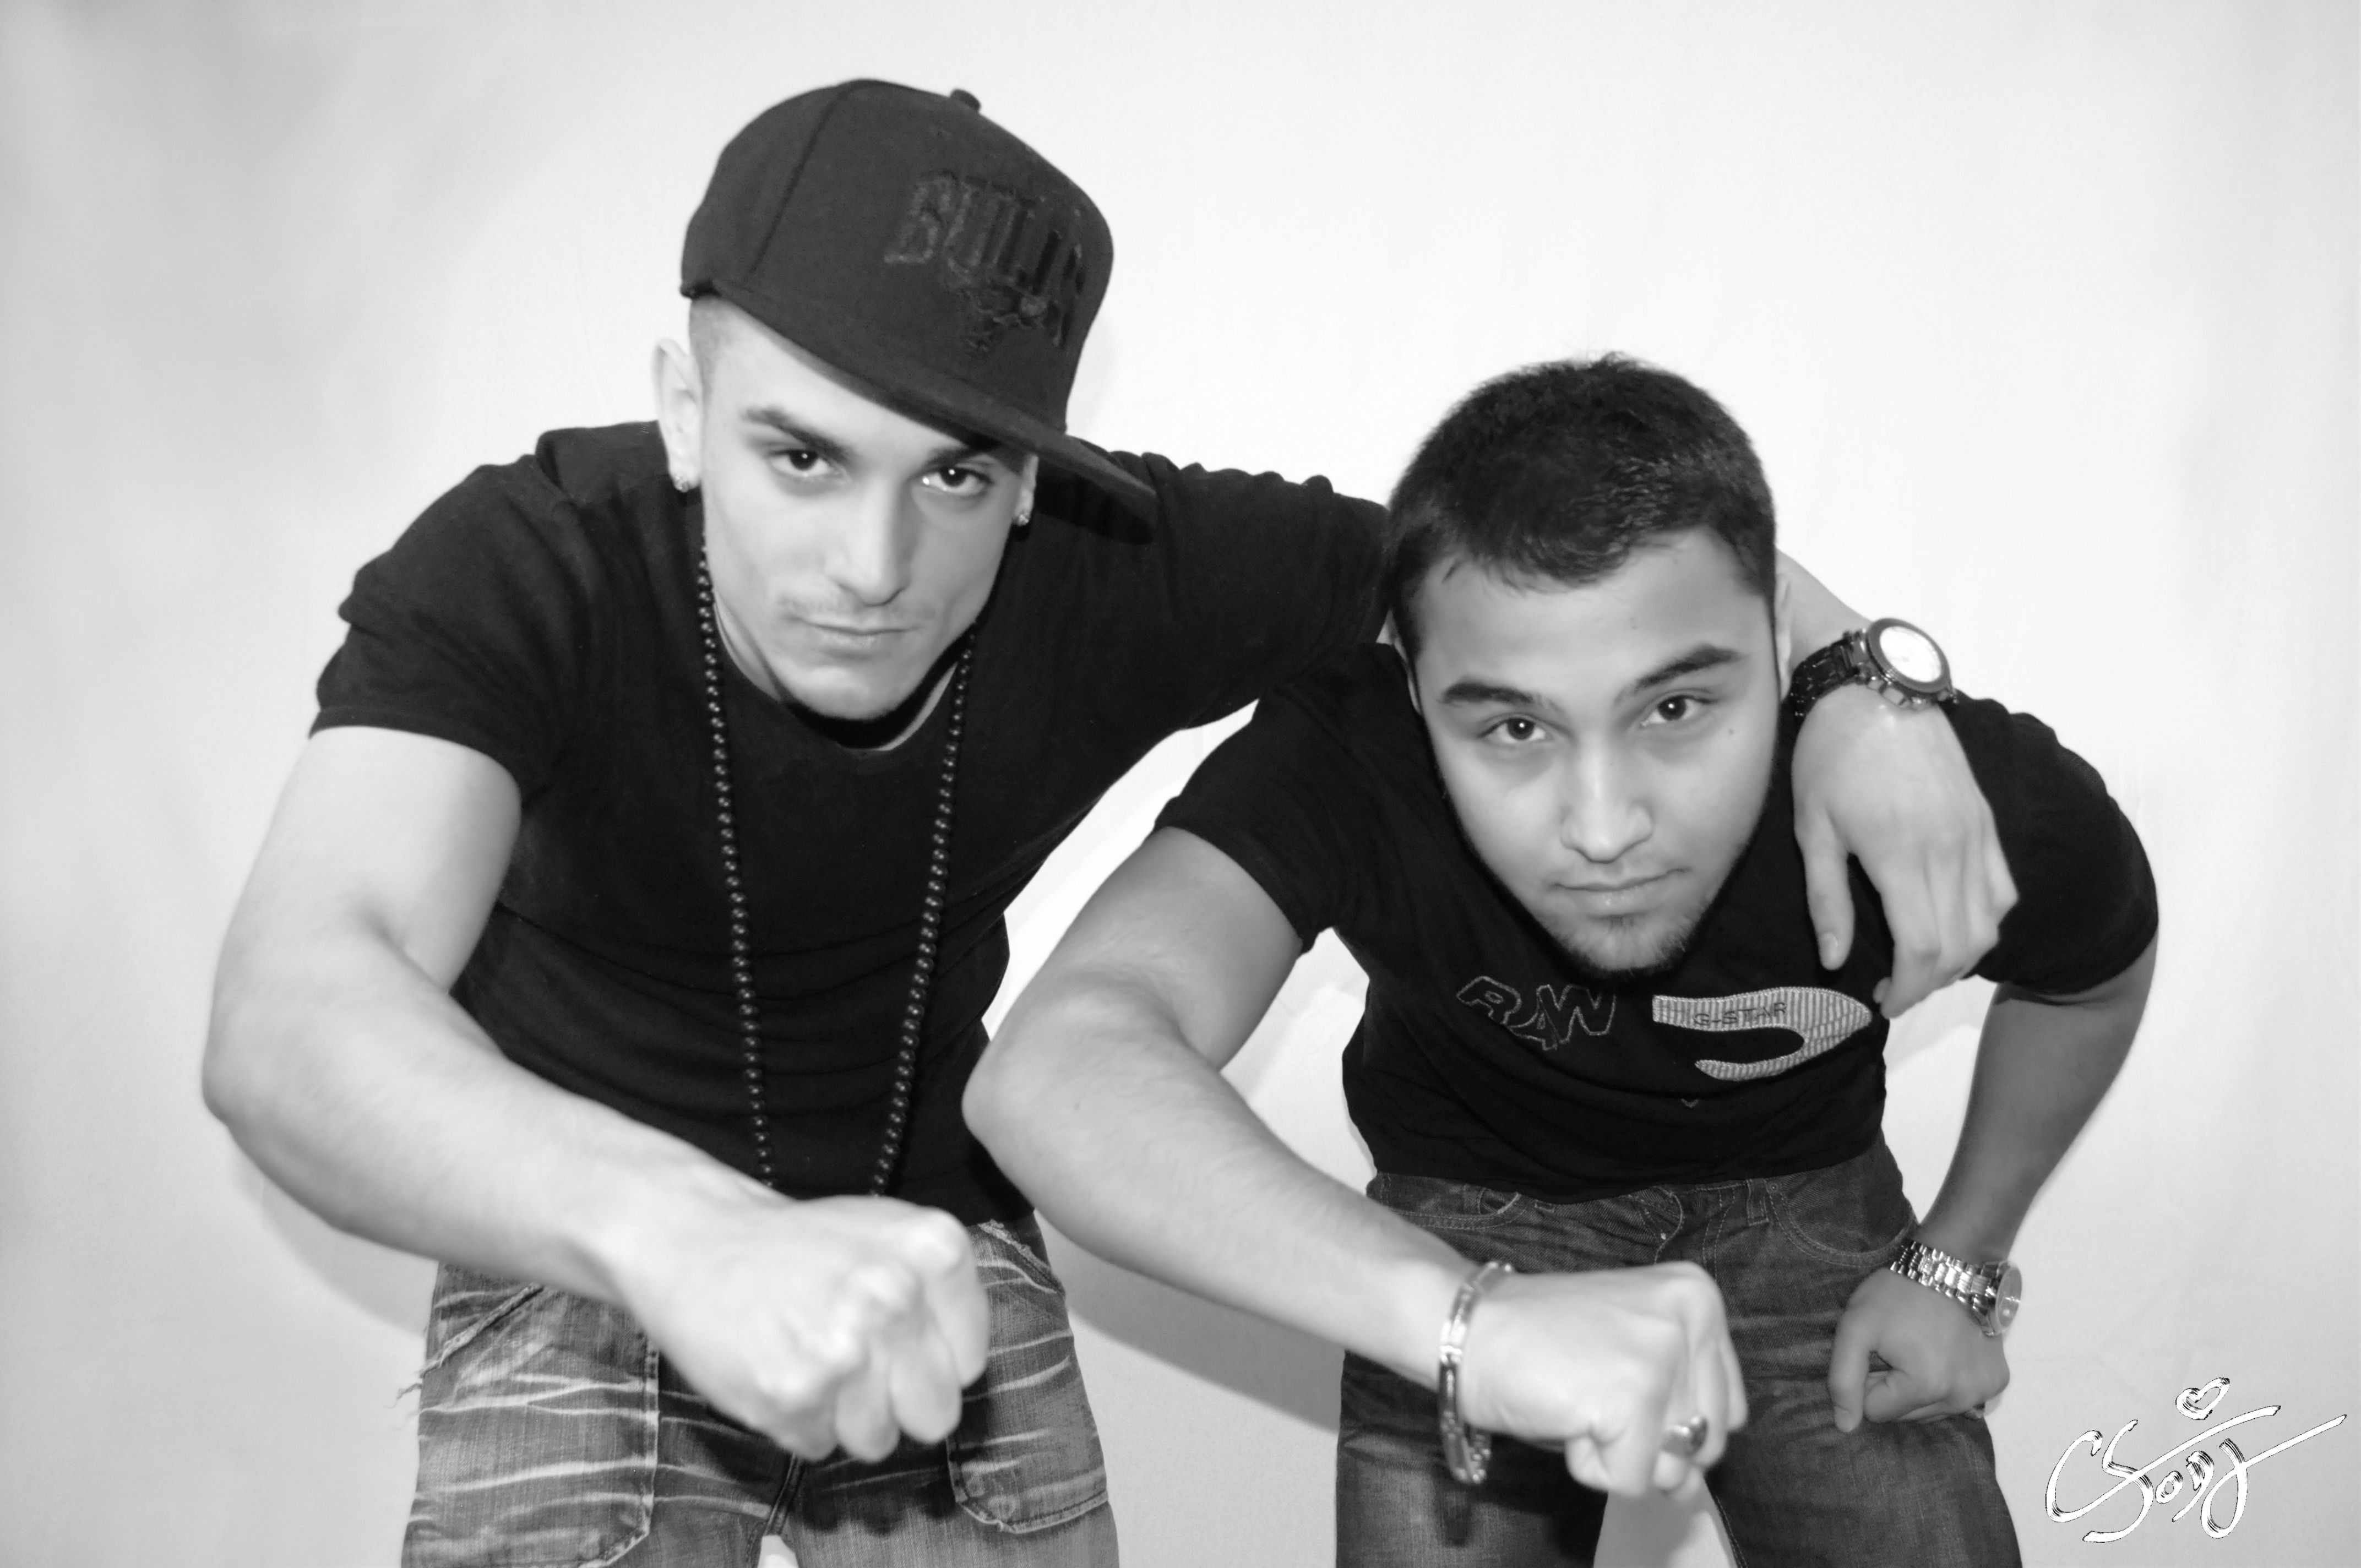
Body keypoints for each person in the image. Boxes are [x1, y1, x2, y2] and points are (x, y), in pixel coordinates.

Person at [202, 80, 2013, 1567]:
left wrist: (1865, 679)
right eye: (800, 455)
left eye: (955, 473)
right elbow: (298, 1007)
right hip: (575, 1231)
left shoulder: (1116, 560)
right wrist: (683, 1235)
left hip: (936, 1215)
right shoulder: (529, 564)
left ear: (1032, 475)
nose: (872, 564)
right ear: (686, 409)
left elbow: (1540, 572)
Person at [969, 356, 2156, 1566]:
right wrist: (1461, 1322)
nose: (1602, 825)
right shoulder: (1354, 747)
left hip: (1808, 1196)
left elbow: (2094, 969)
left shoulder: (1912, 785)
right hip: (1472, 1208)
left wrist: (1958, 1260)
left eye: (1674, 710)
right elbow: (1065, 1067)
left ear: (1778, 644)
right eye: (1515, 726)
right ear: (1414, 688)